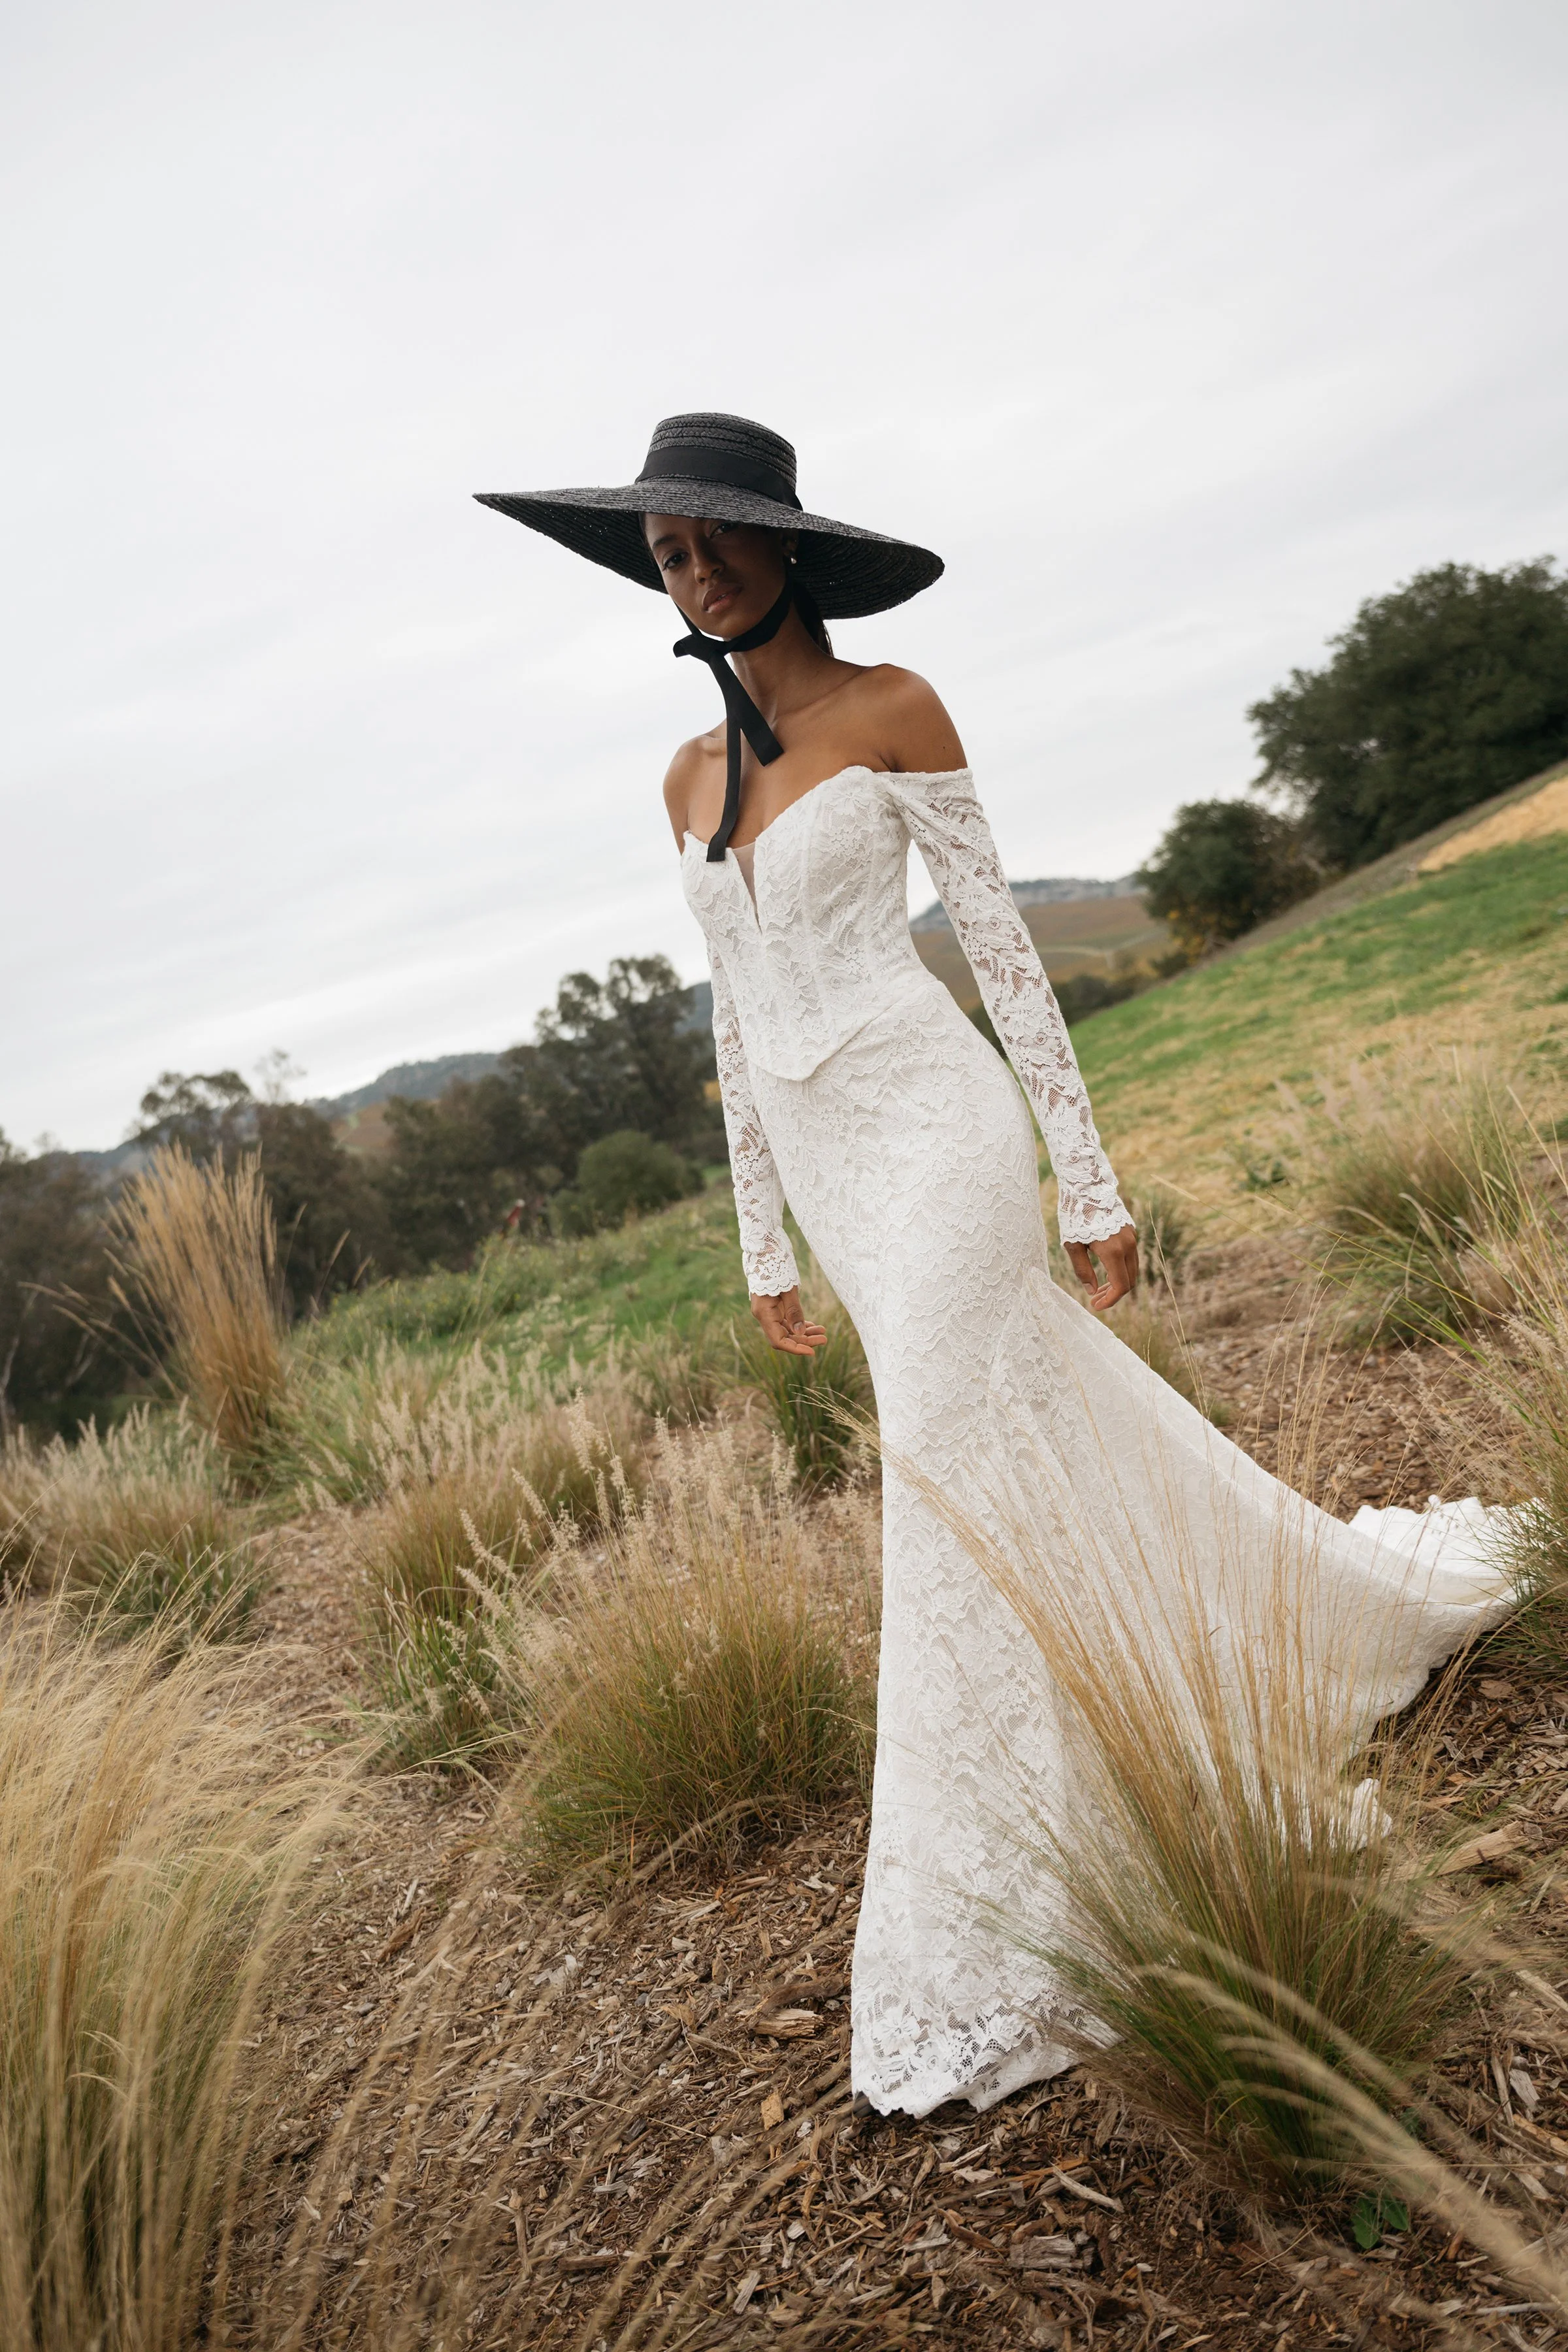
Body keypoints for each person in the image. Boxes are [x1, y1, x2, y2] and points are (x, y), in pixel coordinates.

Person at [478, 414, 1511, 2118]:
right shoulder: (678, 779)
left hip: (938, 1129)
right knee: (1008, 1433)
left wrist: (1088, 1182)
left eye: (717, 537)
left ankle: (1029, 1878)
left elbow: (1010, 957)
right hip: (826, 1170)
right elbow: (735, 1023)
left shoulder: (896, 710)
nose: (696, 566)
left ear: (783, 544)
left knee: (945, 1460)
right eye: (666, 551)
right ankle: (1221, 1646)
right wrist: (759, 1238)